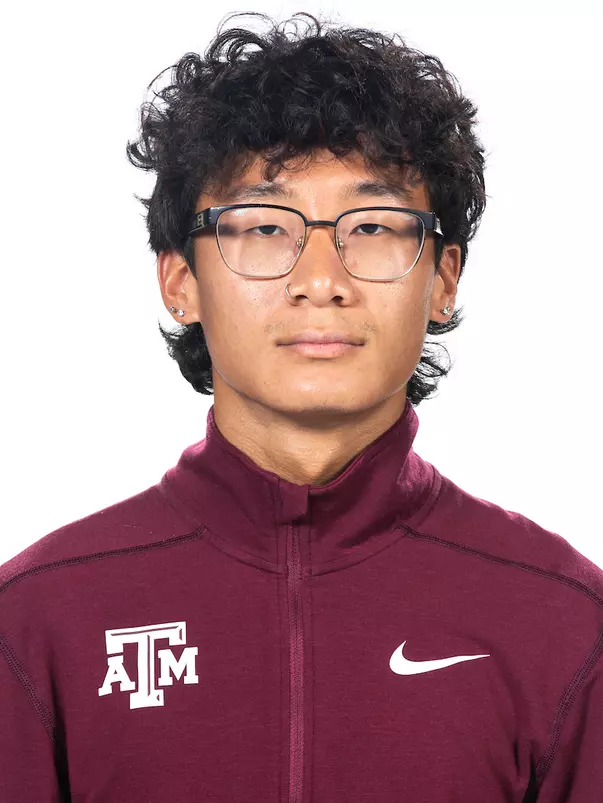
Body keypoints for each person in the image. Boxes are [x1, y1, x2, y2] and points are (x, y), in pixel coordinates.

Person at [1, 11, 601, 802]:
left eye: (375, 225)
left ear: (443, 278)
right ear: (180, 280)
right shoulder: (40, 618)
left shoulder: (561, 620)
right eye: (261, 225)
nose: (321, 276)